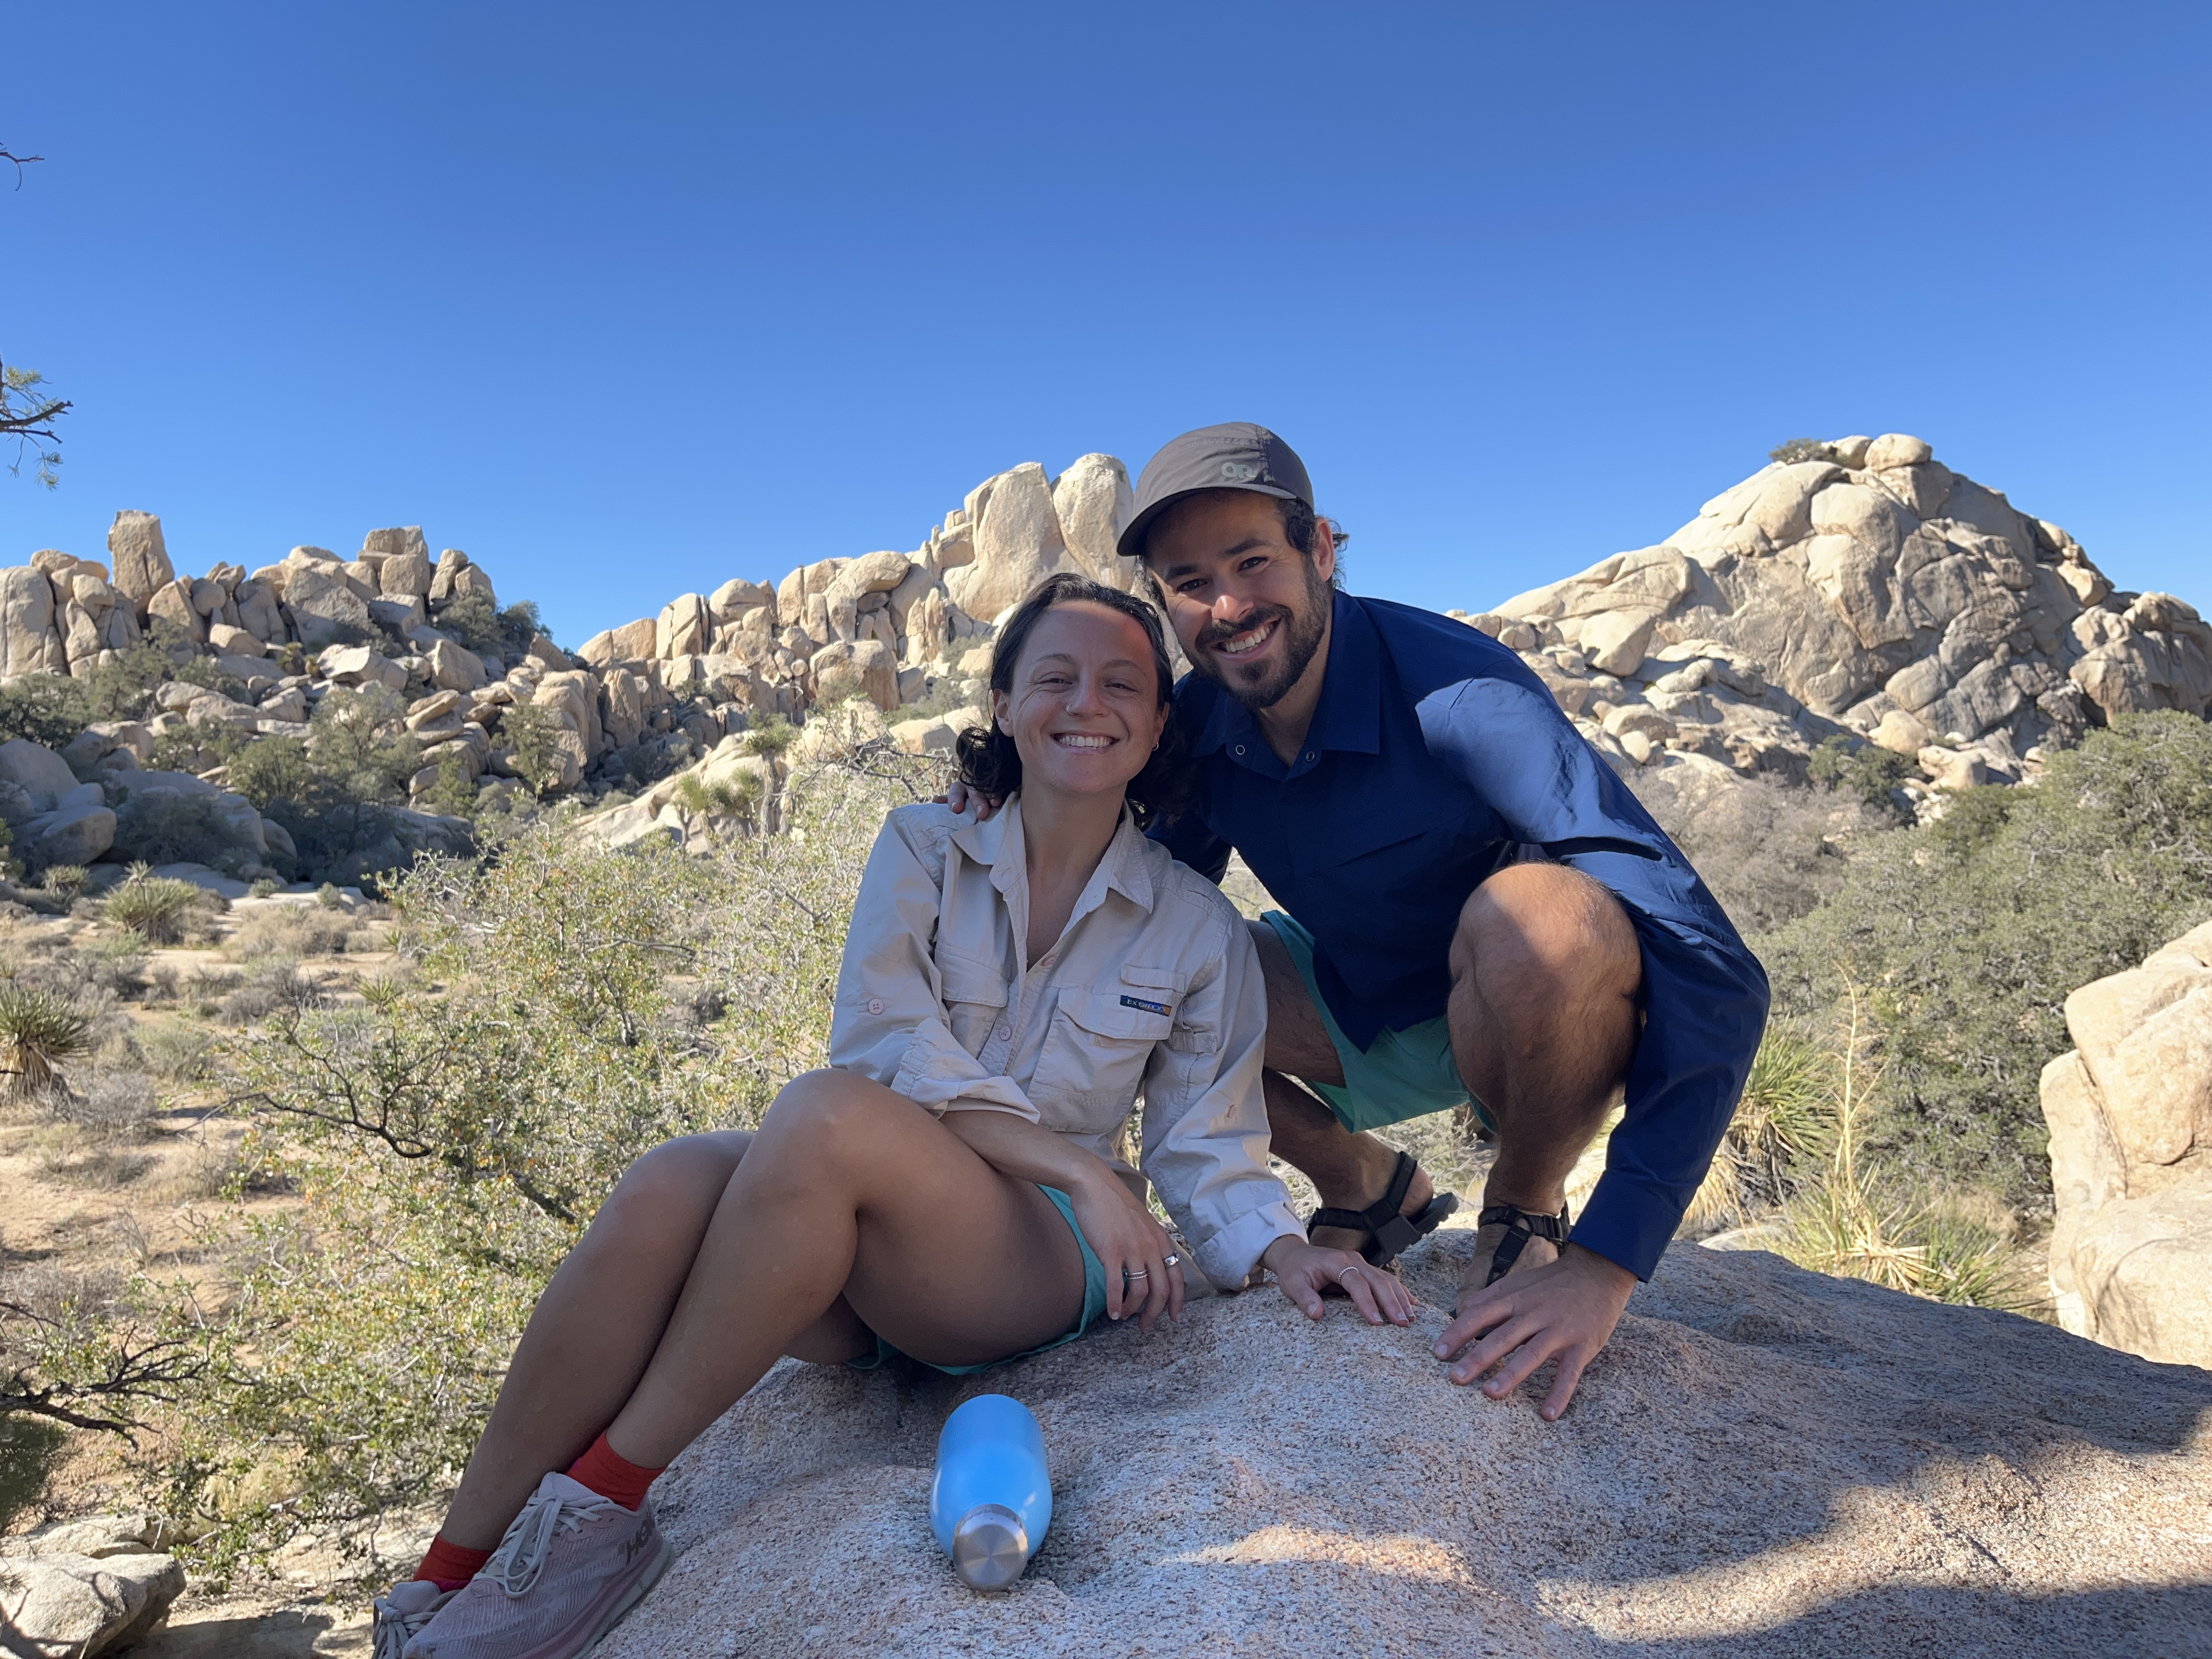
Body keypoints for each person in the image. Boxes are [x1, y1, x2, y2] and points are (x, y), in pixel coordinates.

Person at [374, 573, 1412, 1659]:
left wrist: (1279, 1249)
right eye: (1053, 677)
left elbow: (1205, 1137)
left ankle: (600, 1514)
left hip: (1040, 1263)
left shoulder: (1197, 927)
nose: (1087, 702)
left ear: (1158, 727)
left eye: (1124, 684)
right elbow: (884, 1048)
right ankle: (442, 1578)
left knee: (828, 1119)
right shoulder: (923, 846)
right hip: (893, 1263)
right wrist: (1085, 1167)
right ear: (1005, 706)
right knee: (671, 1179)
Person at [963, 424, 1770, 1425]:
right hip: (1354, 1001)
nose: (1228, 607)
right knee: (1153, 971)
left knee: (1551, 917)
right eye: (1189, 581)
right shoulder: (1203, 726)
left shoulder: (1462, 694)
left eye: (1253, 562)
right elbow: (1125, 901)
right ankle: (1370, 1186)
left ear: (1323, 551)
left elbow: (1712, 962)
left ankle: (1525, 1208)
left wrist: (1609, 1264)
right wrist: (999, 792)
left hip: (1527, 1014)